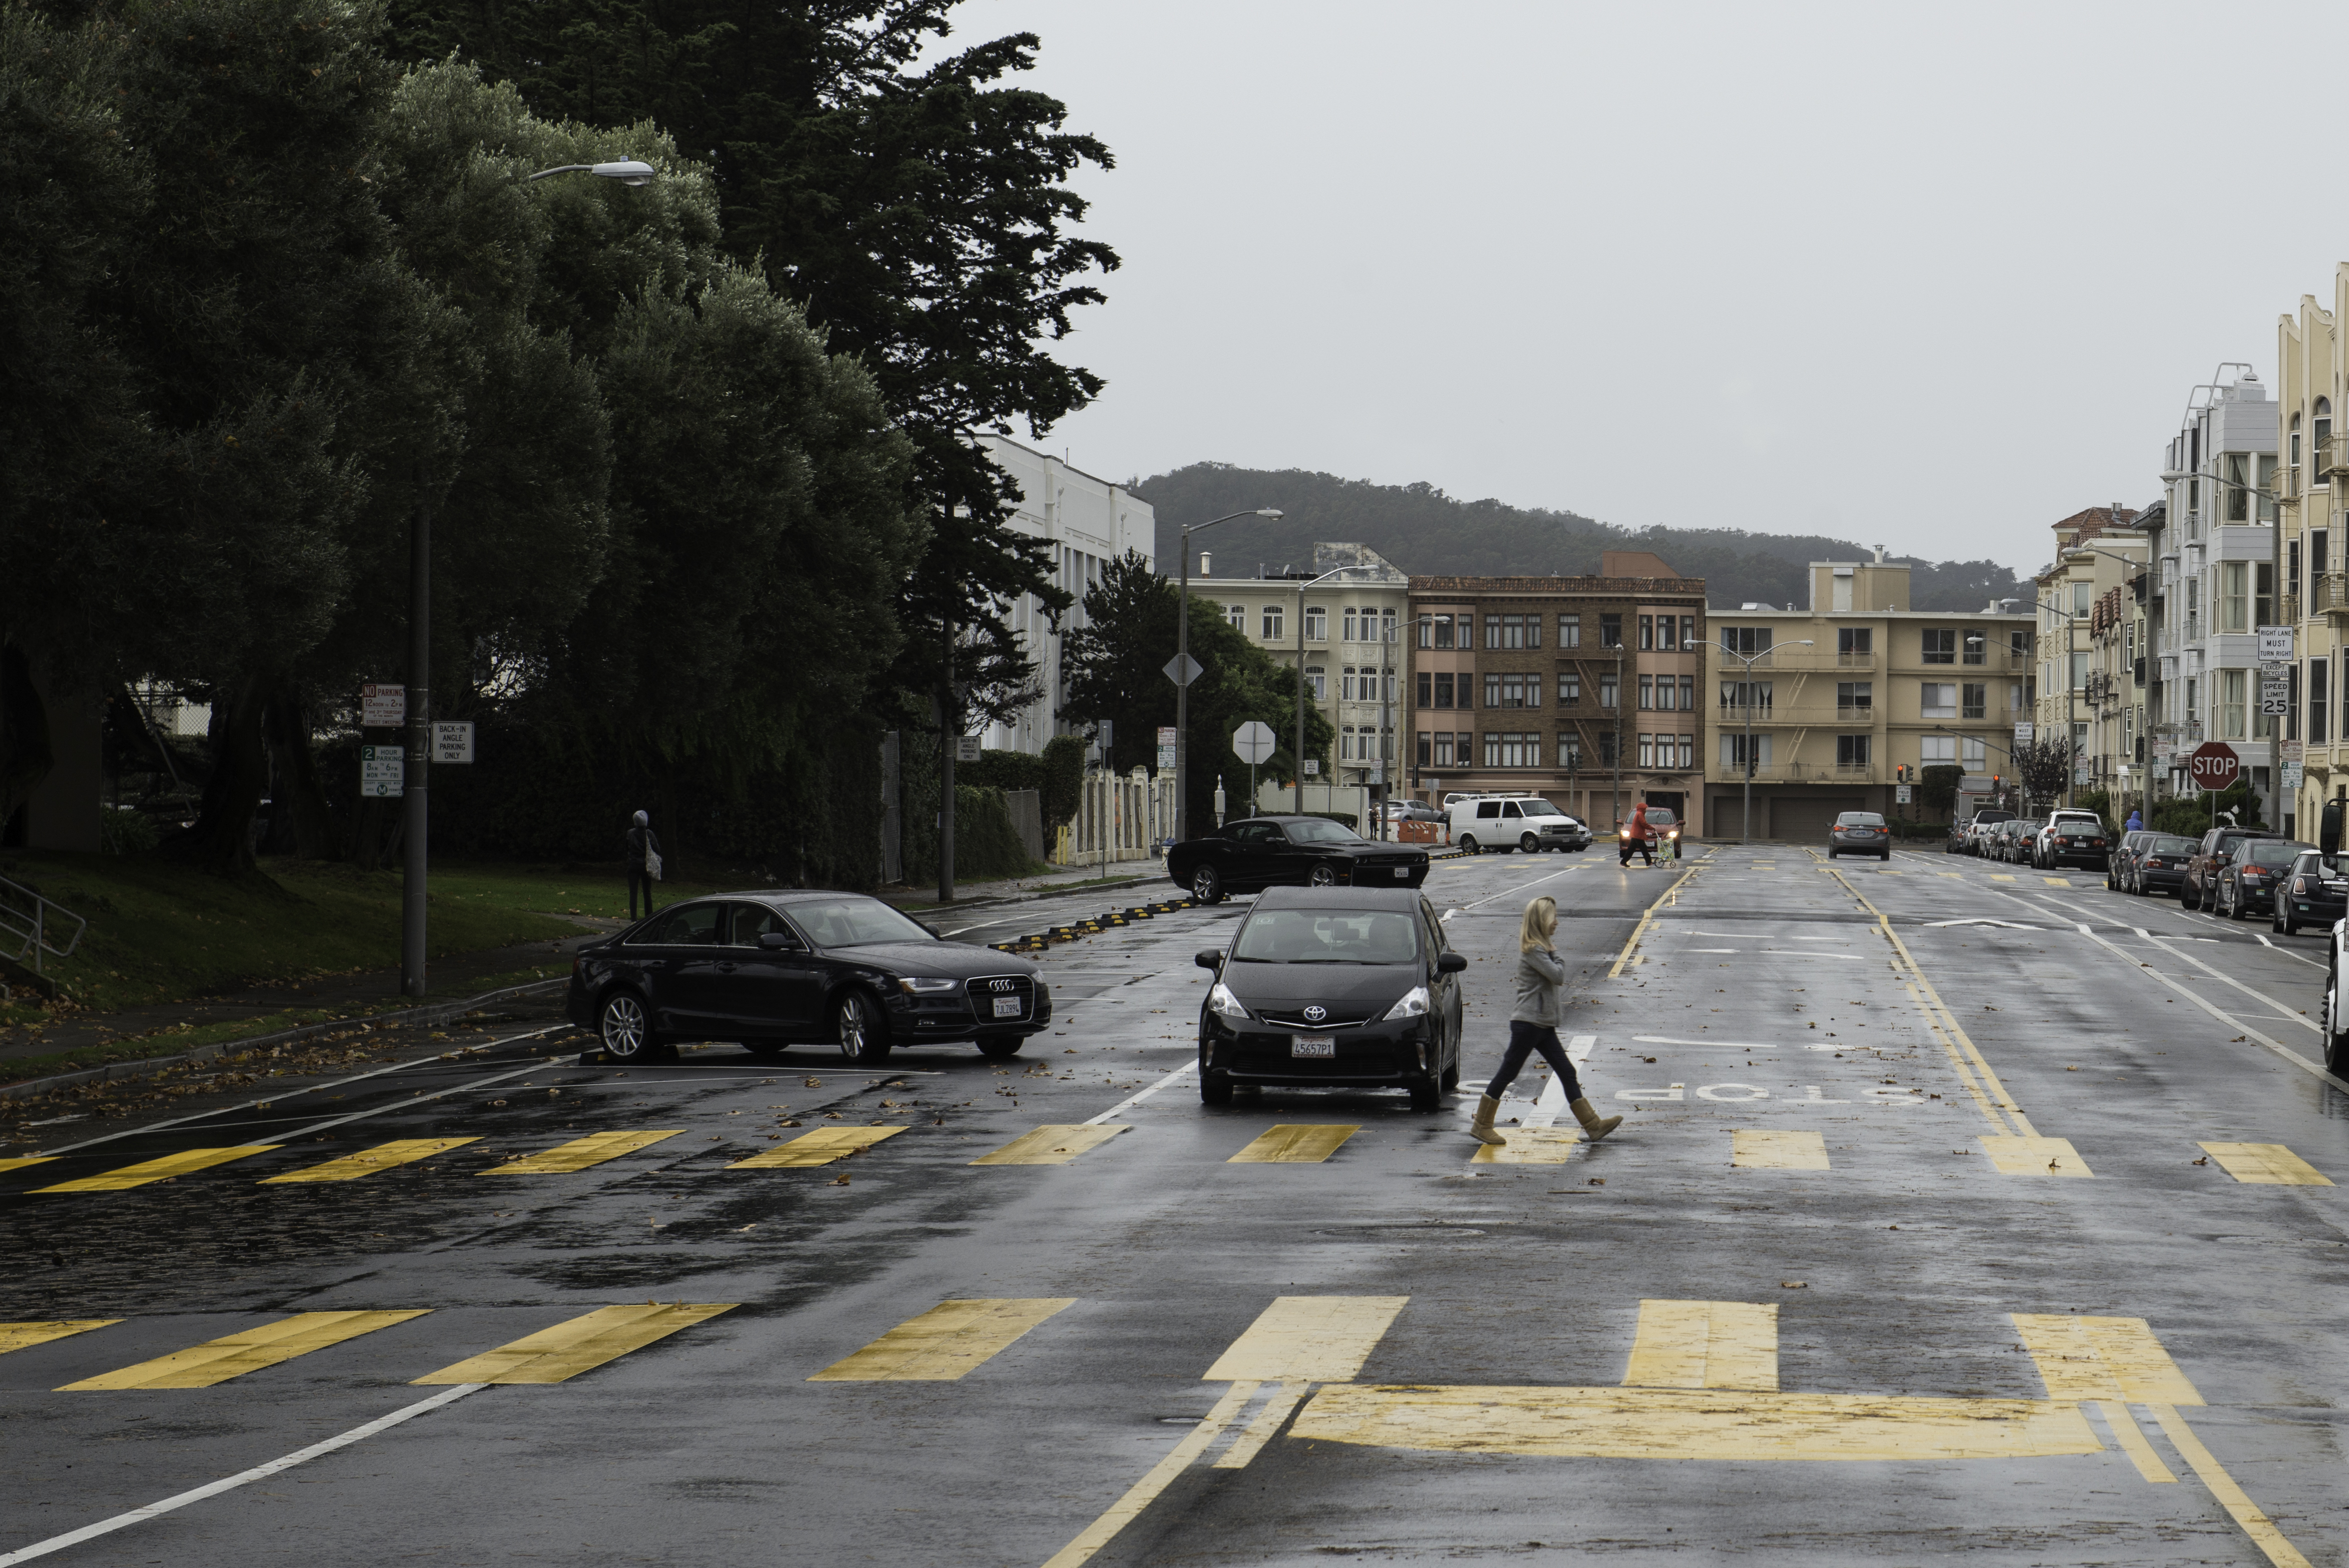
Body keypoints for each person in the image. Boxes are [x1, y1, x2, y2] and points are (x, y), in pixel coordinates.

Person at [1470, 896, 1623, 1148]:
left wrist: (1552, 950)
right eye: (1553, 917)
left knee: (1566, 1071)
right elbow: (1558, 976)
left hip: (1541, 1024)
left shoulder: (1540, 949)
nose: (1557, 923)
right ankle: (1483, 1126)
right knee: (1509, 1071)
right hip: (1529, 1023)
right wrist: (1556, 953)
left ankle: (1593, 1126)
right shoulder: (1534, 950)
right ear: (1542, 921)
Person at [626, 809, 662, 920]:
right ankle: (649, 918)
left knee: (633, 893)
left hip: (633, 865)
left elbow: (627, 847)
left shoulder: (630, 833)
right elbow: (657, 849)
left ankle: (633, 920)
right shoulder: (649, 834)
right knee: (647, 893)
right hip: (646, 866)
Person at [1619, 800, 1654, 867]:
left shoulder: (1639, 813)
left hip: (1635, 834)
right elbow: (1643, 824)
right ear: (1642, 808)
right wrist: (1651, 828)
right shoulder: (1640, 814)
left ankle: (1623, 862)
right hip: (1638, 835)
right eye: (1645, 808)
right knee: (1644, 849)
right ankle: (1649, 862)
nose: (1646, 809)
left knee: (1631, 850)